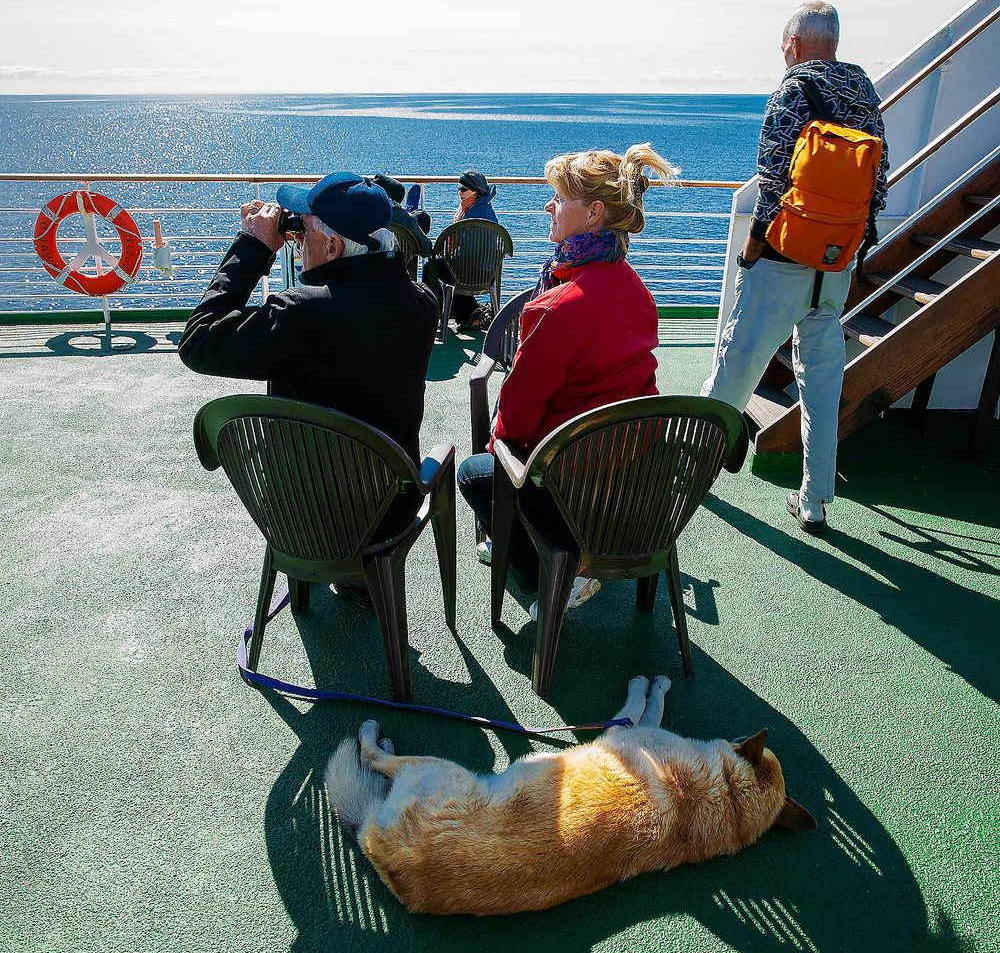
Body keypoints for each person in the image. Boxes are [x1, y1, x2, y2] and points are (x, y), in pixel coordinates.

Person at [457, 143, 676, 616]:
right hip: (633, 470)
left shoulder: (557, 307)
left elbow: (516, 421)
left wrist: (500, 450)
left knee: (476, 473)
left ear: (594, 212)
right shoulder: (634, 286)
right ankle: (538, 537)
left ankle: (556, 574)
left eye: (558, 197)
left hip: (576, 478)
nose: (547, 206)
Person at [700, 0, 888, 534]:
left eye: (783, 43)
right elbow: (878, 176)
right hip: (835, 264)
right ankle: (815, 501)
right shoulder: (862, 88)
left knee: (736, 371)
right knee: (823, 383)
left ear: (796, 42)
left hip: (784, 260)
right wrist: (853, 247)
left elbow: (773, 177)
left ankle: (687, 469)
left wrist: (754, 250)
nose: (782, 52)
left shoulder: (793, 89)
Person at [178, 171, 439, 463]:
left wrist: (252, 246)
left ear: (332, 247)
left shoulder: (301, 313)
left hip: (304, 502)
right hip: (391, 499)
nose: (298, 241)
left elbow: (198, 341)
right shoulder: (424, 303)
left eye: (303, 232)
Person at [436, 169, 502, 334]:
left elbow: (467, 253)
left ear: (477, 191)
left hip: (471, 271)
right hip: (488, 273)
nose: (459, 193)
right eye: (458, 189)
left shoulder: (471, 214)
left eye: (463, 189)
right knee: (447, 268)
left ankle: (433, 314)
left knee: (433, 266)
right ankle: (470, 313)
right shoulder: (487, 210)